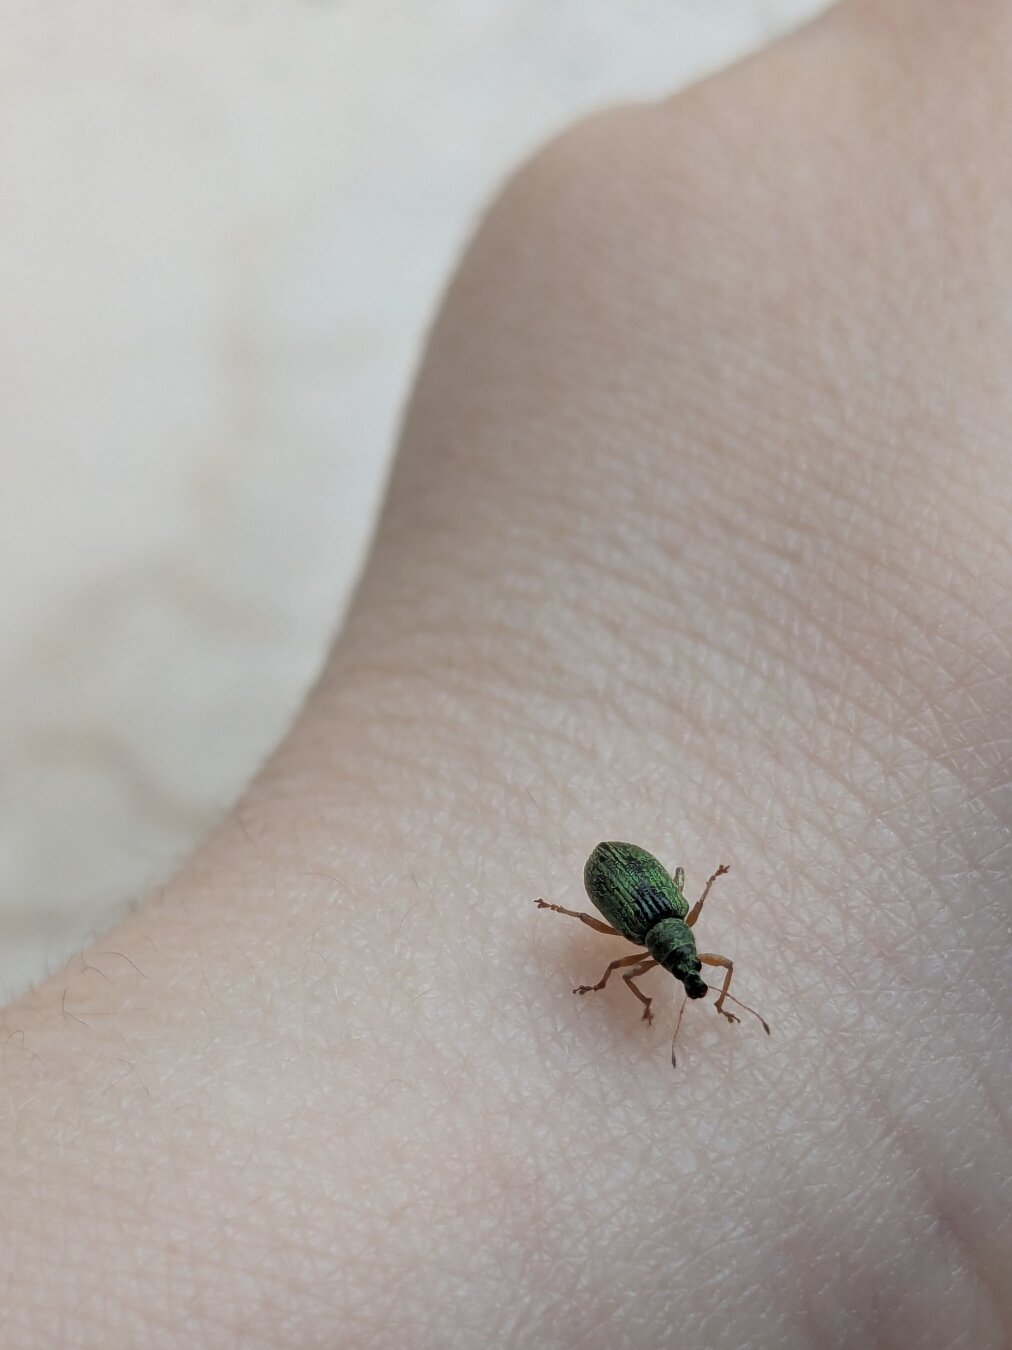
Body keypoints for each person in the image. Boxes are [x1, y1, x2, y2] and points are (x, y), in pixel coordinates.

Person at [3, 2, 1008, 1344]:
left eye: (683, 964)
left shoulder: (681, 944)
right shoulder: (633, 934)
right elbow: (628, 904)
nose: (683, 963)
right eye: (683, 964)